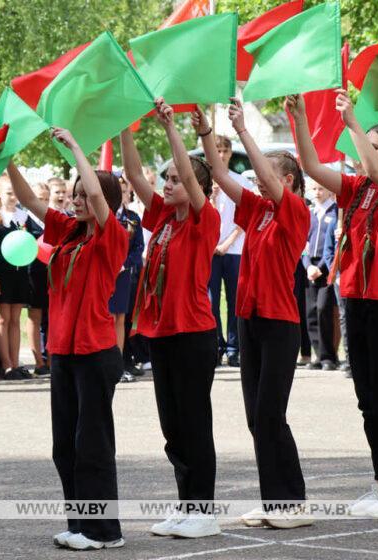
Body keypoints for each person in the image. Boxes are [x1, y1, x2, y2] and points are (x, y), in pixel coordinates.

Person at [288, 91, 378, 518]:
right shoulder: (358, 189)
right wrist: (301, 119)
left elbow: (372, 168)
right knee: (366, 396)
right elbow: (310, 166)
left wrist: (354, 123)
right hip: (358, 298)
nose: (369, 152)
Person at [6, 127, 127, 551]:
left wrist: (78, 147)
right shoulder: (69, 232)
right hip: (64, 353)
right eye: (71, 195)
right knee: (65, 446)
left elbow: (97, 196)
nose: (74, 201)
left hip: (96, 353)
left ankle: (104, 531)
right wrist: (6, 160)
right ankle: (80, 525)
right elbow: (29, 200)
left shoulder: (113, 236)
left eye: (80, 195)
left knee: (92, 445)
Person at [198, 100, 311, 529]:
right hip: (249, 319)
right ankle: (274, 502)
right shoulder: (258, 210)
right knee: (255, 417)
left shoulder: (294, 212)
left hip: (280, 323)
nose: (260, 182)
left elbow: (261, 174)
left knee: (269, 415)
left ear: (286, 180)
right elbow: (222, 175)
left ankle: (292, 503)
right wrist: (208, 134)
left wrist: (244, 130)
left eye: (269, 177)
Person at [121, 98, 221, 538]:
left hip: (194, 333)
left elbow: (195, 175)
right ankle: (186, 506)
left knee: (195, 423)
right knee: (172, 426)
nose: (166, 183)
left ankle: (204, 510)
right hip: (160, 331)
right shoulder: (161, 218)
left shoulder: (205, 218)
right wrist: (122, 124)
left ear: (196, 188)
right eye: (165, 177)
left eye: (176, 179)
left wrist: (171, 129)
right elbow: (131, 173)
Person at [0, 177, 42, 379]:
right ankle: (5, 365)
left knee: (15, 319)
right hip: (0, 275)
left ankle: (16, 364)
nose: (13, 196)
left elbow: (37, 237)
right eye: (8, 192)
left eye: (15, 192)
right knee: (2, 319)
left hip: (20, 274)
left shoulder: (23, 217)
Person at [208, 134, 251, 367]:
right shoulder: (204, 182)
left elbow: (245, 218)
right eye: (217, 151)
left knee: (235, 300)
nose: (221, 155)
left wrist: (227, 243)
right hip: (211, 251)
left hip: (234, 250)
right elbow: (206, 219)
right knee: (211, 300)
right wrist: (212, 198)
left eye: (224, 151)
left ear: (230, 153)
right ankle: (216, 344)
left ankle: (234, 348)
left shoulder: (241, 181)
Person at [110, 175, 144, 382]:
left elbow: (138, 247)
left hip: (122, 275)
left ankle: (118, 363)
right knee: (105, 317)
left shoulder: (132, 218)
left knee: (120, 318)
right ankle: (103, 359)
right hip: (103, 274)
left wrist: (124, 265)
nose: (122, 195)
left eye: (124, 191)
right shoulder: (101, 215)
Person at [303, 181, 339, 370]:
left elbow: (331, 246)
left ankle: (328, 356)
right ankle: (318, 355)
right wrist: (308, 266)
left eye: (321, 188)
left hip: (326, 266)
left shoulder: (334, 212)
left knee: (323, 309)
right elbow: (304, 243)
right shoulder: (310, 213)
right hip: (310, 266)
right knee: (311, 311)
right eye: (314, 189)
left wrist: (321, 268)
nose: (317, 192)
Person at [27, 182, 51, 376]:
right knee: (34, 316)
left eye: (45, 198)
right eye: (39, 198)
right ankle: (38, 362)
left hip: (52, 273)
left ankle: (52, 358)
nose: (42, 202)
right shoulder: (25, 220)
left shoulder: (52, 219)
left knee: (51, 317)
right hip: (32, 273)